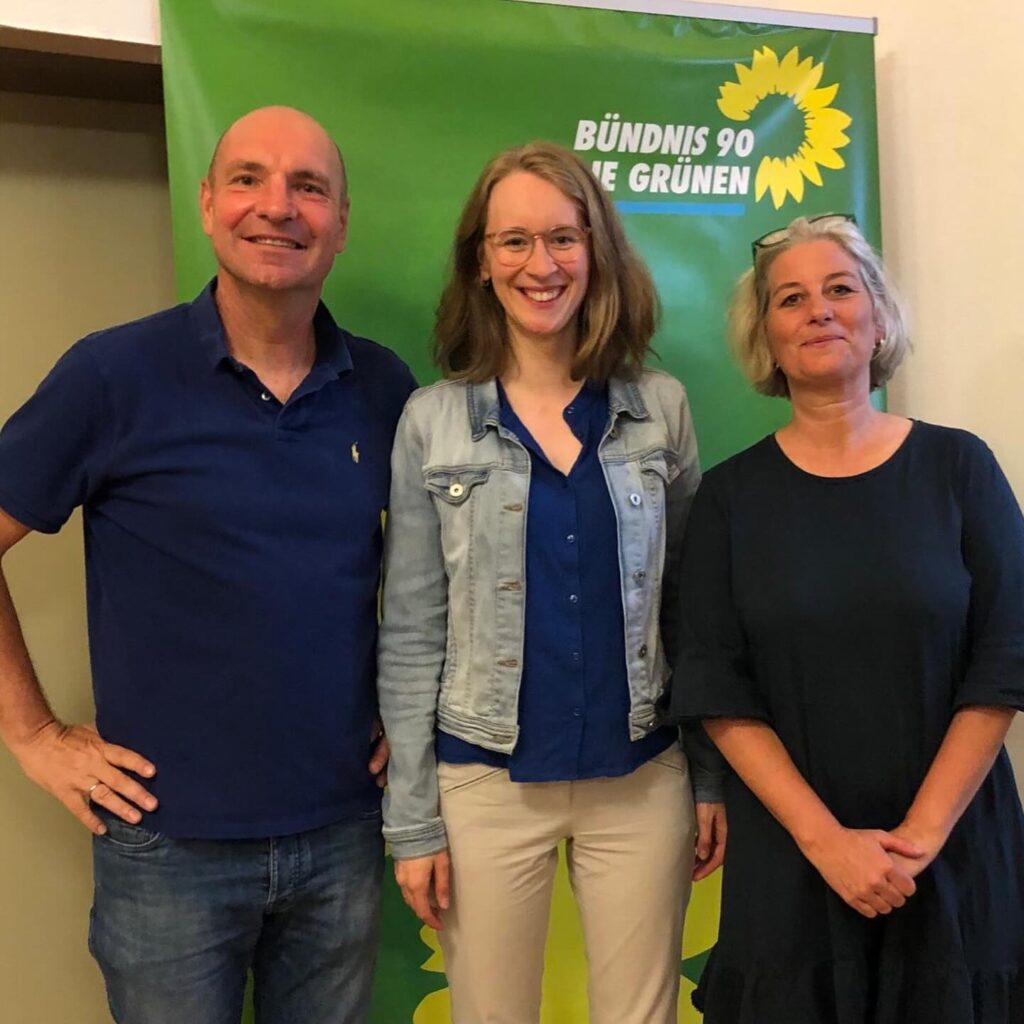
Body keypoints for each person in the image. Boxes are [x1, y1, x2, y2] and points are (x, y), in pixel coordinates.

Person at [0, 106, 415, 1024]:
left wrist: (412, 711)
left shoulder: (386, 390)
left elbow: (439, 574)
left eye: (309, 186)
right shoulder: (113, 376)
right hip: (167, 850)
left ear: (342, 222)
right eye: (249, 179)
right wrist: (32, 734)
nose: (279, 207)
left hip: (344, 833)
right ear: (207, 203)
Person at [377, 141, 727, 1024]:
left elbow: (694, 613)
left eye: (564, 238)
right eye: (515, 241)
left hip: (643, 781)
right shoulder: (432, 421)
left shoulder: (663, 409)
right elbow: (412, 628)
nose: (542, 264)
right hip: (485, 785)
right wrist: (413, 819)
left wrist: (711, 778)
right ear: (481, 262)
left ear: (597, 252)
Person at [672, 213, 1024, 1023]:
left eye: (840, 289)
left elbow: (1006, 654)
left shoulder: (958, 467)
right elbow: (716, 685)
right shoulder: (729, 499)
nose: (819, 310)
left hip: (952, 850)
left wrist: (922, 837)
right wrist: (827, 842)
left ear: (878, 315)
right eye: (791, 299)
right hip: (793, 859)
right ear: (767, 337)